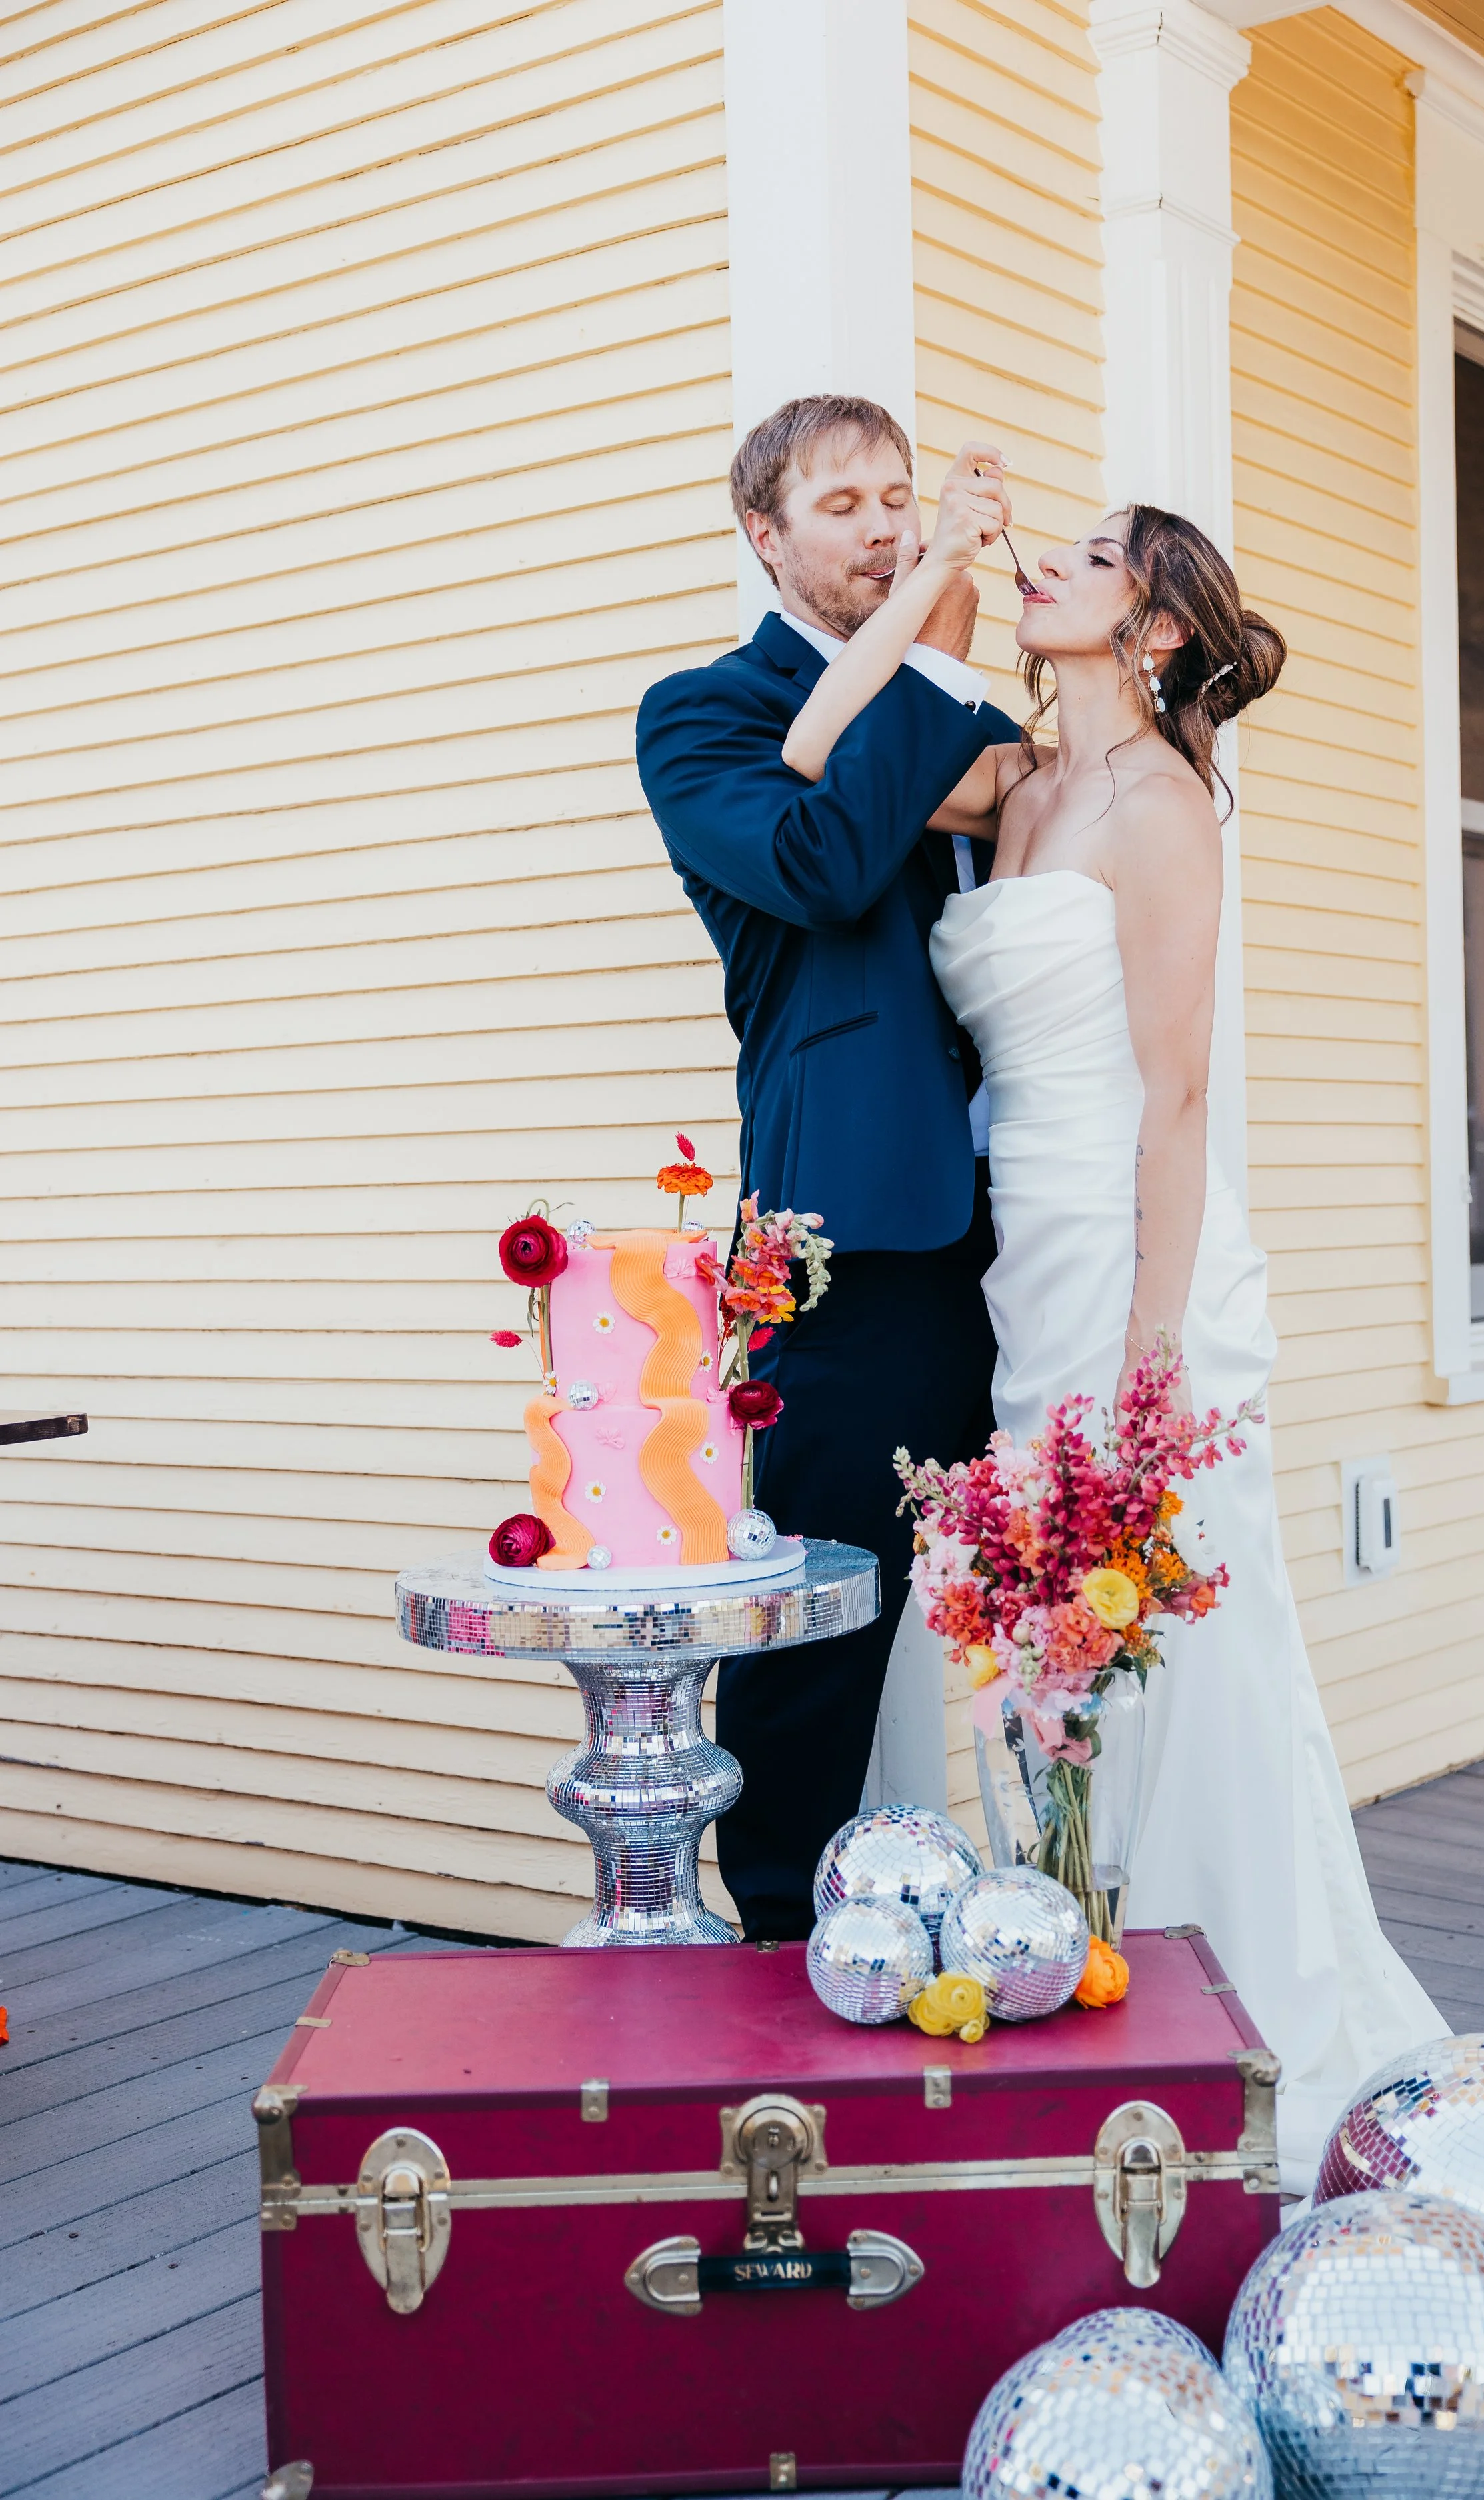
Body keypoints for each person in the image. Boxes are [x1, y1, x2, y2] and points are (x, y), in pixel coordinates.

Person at [783, 493, 1447, 2189]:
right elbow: (809, 746)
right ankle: (1079, 1964)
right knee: (1050, 1648)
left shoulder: (1161, 808)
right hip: (1022, 1264)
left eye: (1087, 560)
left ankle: (1223, 2003)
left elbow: (1175, 1099)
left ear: (1153, 633)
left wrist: (1151, 1365)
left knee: (1171, 1625)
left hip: (1134, 1254)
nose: (1045, 567)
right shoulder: (1013, 777)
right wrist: (932, 565)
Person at [635, 396, 1023, 1943]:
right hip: (854, 1225)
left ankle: (1035, 1897)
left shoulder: (947, 720)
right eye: (844, 504)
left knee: (1063, 1580)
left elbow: (1031, 807)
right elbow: (817, 863)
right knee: (816, 1617)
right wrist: (933, 644)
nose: (883, 527)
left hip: (1028, 1203)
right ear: (764, 535)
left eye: (899, 500)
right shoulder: (701, 716)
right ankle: (781, 1927)